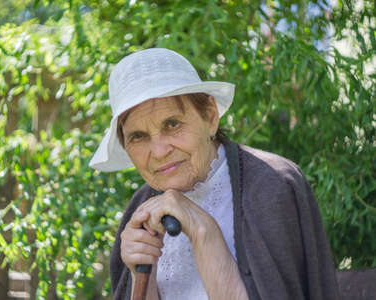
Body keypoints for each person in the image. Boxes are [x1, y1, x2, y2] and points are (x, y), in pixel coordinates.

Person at [89, 48, 339, 300]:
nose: (160, 151)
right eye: (138, 137)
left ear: (209, 117)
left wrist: (202, 231)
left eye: (172, 124)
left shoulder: (271, 185)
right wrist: (142, 276)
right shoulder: (141, 208)